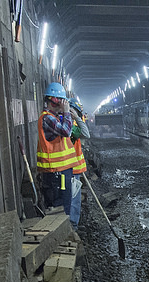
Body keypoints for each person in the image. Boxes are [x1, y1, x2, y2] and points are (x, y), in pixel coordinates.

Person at [36, 82, 76, 216]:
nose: (64, 104)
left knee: (65, 205)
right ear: (54, 100)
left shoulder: (53, 117)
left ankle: (66, 231)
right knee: (60, 207)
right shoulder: (47, 118)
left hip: (61, 171)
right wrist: (66, 113)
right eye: (62, 101)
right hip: (56, 173)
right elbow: (66, 131)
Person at [68, 95, 90, 228]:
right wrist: (75, 117)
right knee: (73, 201)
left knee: (73, 200)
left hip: (71, 168)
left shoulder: (70, 126)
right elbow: (86, 134)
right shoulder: (68, 126)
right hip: (69, 169)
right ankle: (72, 227)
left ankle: (72, 226)